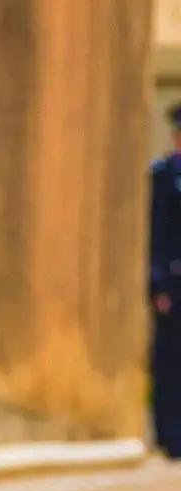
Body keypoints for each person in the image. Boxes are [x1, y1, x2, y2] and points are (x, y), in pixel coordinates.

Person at [149, 104, 181, 460]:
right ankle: (171, 434)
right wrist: (157, 283)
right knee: (171, 361)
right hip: (174, 282)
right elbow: (157, 231)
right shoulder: (165, 175)